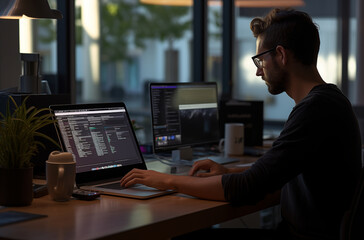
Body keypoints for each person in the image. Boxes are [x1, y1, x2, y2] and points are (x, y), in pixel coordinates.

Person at [121, 8, 362, 240]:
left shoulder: (315, 109)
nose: (259, 73)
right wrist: (229, 171)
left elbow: (246, 188)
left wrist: (165, 180)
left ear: (281, 55)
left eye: (260, 61)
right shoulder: (330, 101)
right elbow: (275, 174)